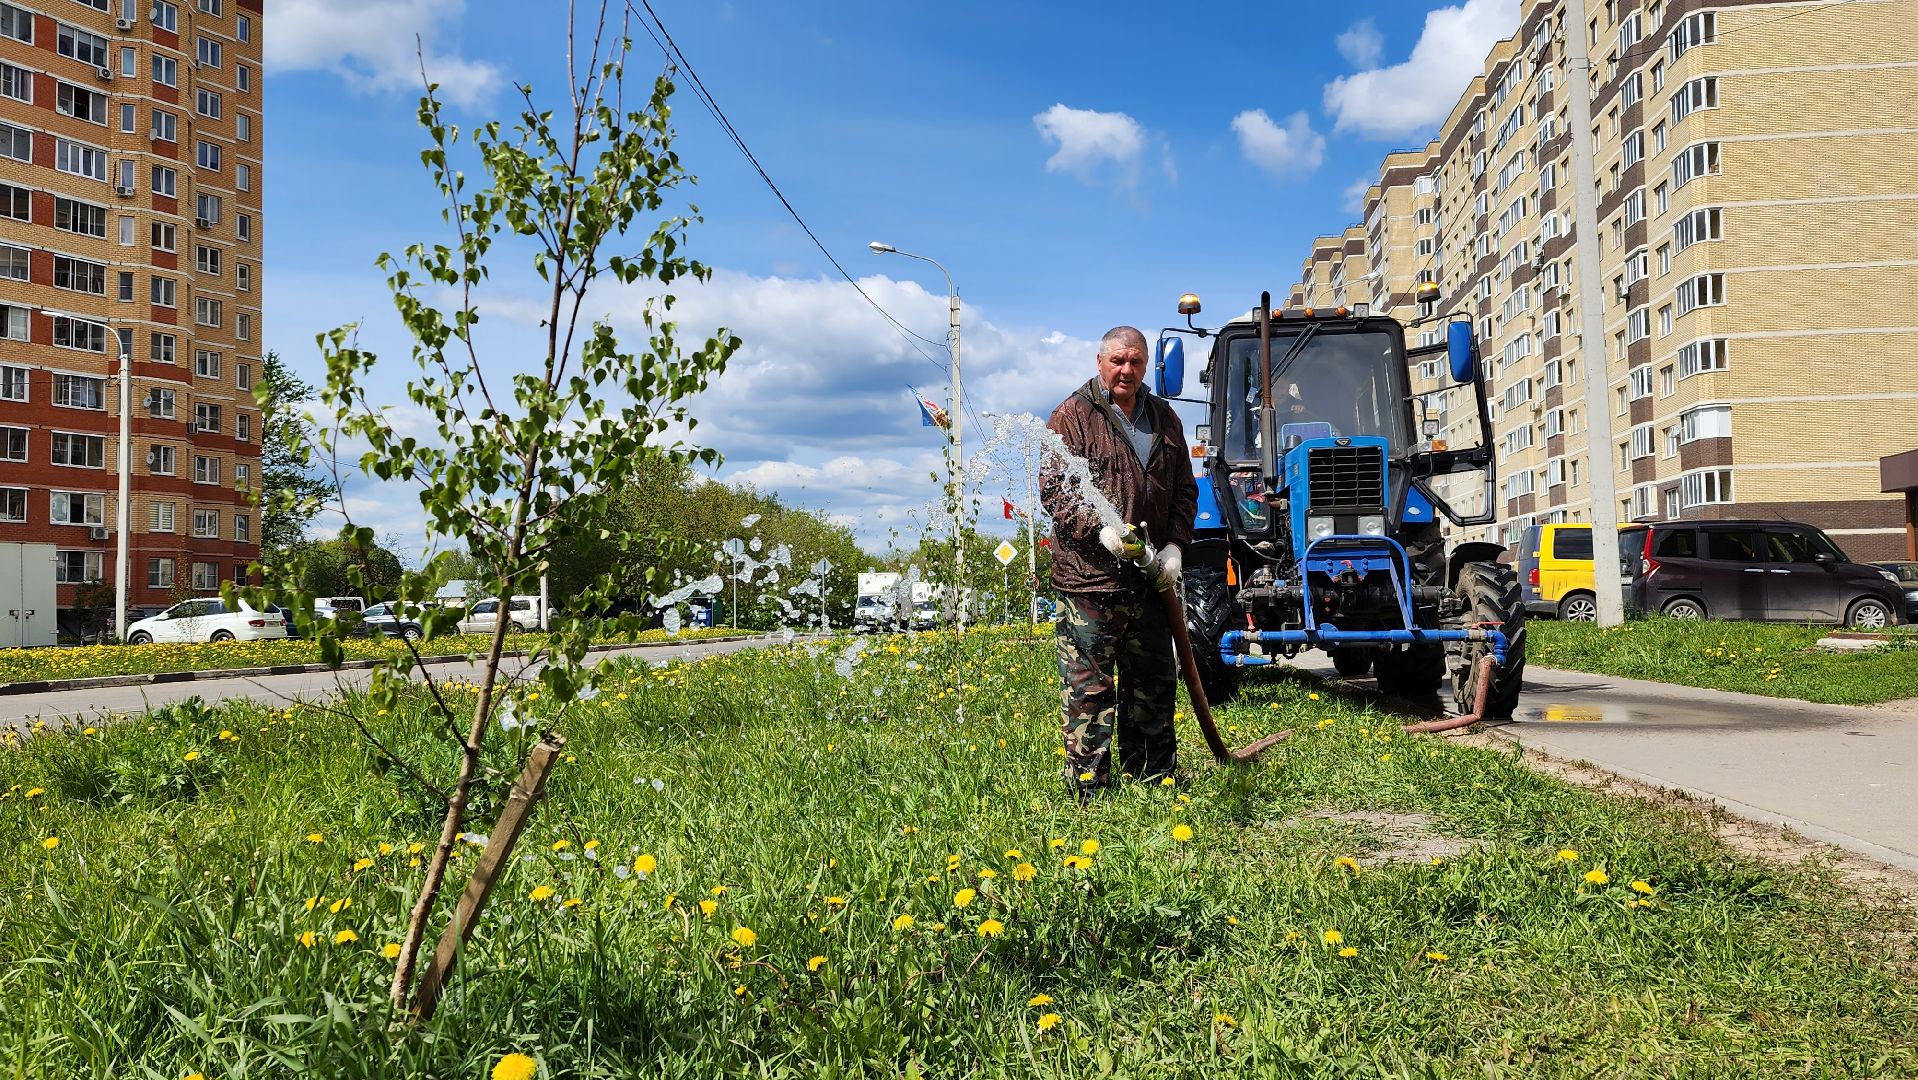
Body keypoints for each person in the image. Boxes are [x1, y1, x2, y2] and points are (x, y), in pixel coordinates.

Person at [1039, 326, 1199, 801]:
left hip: (1149, 581)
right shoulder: (1071, 417)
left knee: (1152, 685)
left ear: (1147, 365)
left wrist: (1175, 547)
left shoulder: (1165, 418)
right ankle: (1089, 789)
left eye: (1135, 361)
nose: (1126, 370)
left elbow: (1185, 491)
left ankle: (1153, 779)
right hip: (1090, 583)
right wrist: (1100, 531)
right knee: (1089, 692)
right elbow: (1054, 491)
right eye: (1117, 361)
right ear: (1100, 361)